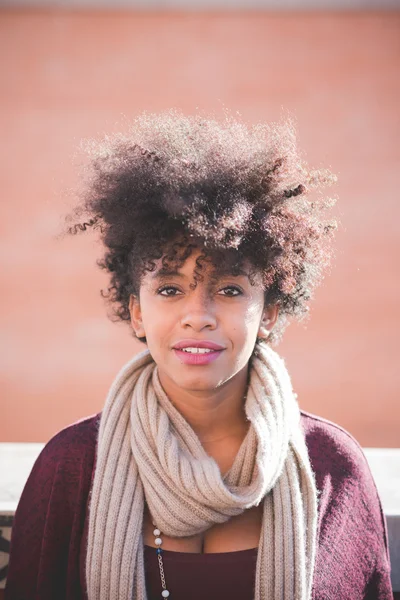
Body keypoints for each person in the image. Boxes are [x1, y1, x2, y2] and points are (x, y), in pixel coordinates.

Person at [5, 110, 393, 600]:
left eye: (229, 289)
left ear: (269, 312)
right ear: (137, 313)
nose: (198, 315)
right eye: (169, 289)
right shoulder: (73, 464)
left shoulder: (332, 467)